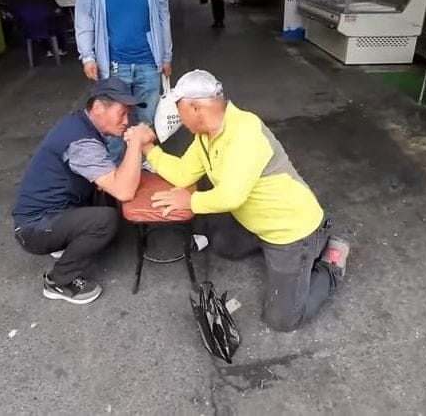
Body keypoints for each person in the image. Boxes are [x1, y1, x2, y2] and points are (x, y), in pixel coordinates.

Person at [128, 70, 349, 331]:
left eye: (179, 109)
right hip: (256, 222)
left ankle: (329, 263)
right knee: (223, 245)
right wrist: (147, 148)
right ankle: (282, 256)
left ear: (195, 107)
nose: (179, 119)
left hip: (290, 230)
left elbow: (231, 197)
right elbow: (183, 173)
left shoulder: (245, 132)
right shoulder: (205, 136)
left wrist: (188, 201)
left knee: (282, 320)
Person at [11, 78, 146, 305]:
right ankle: (58, 281)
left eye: (129, 114)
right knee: (106, 219)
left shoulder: (80, 123)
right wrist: (137, 143)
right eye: (122, 113)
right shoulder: (81, 141)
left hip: (54, 211)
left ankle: (67, 239)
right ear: (98, 108)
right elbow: (124, 191)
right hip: (34, 228)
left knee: (105, 189)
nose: (127, 121)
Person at [75, 0, 172, 164]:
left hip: (149, 64)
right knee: (115, 121)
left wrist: (166, 56)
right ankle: (116, 170)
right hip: (114, 65)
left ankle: (144, 162)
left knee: (146, 117)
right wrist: (88, 56)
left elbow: (163, 18)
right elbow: (84, 18)